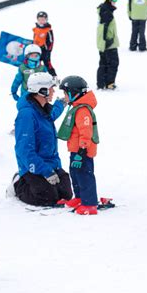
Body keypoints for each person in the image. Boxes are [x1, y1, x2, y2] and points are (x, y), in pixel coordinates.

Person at [12, 72, 73, 206]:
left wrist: (62, 103)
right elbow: (24, 150)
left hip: (51, 163)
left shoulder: (43, 108)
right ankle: (18, 184)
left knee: (66, 194)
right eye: (51, 88)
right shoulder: (26, 115)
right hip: (32, 166)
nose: (53, 91)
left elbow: (52, 114)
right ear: (42, 90)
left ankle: (44, 180)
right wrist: (44, 171)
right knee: (47, 197)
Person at [58, 76, 100, 215]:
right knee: (75, 174)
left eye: (65, 93)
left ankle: (90, 203)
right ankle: (80, 197)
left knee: (84, 175)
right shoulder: (76, 107)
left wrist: (82, 150)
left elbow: (86, 132)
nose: (64, 96)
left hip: (83, 151)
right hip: (75, 150)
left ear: (73, 93)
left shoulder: (83, 110)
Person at [97, 0, 120, 90]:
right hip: (108, 43)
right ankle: (108, 83)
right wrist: (107, 41)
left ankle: (102, 83)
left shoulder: (105, 10)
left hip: (105, 43)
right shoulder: (106, 12)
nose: (115, 1)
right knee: (112, 63)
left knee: (105, 62)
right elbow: (103, 28)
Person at [32, 11, 56, 76]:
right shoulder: (35, 29)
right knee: (37, 64)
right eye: (39, 19)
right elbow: (34, 39)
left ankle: (54, 76)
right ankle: (38, 77)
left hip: (45, 50)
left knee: (47, 64)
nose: (41, 21)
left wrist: (48, 51)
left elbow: (51, 41)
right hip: (37, 50)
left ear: (46, 20)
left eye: (43, 19)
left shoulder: (48, 30)